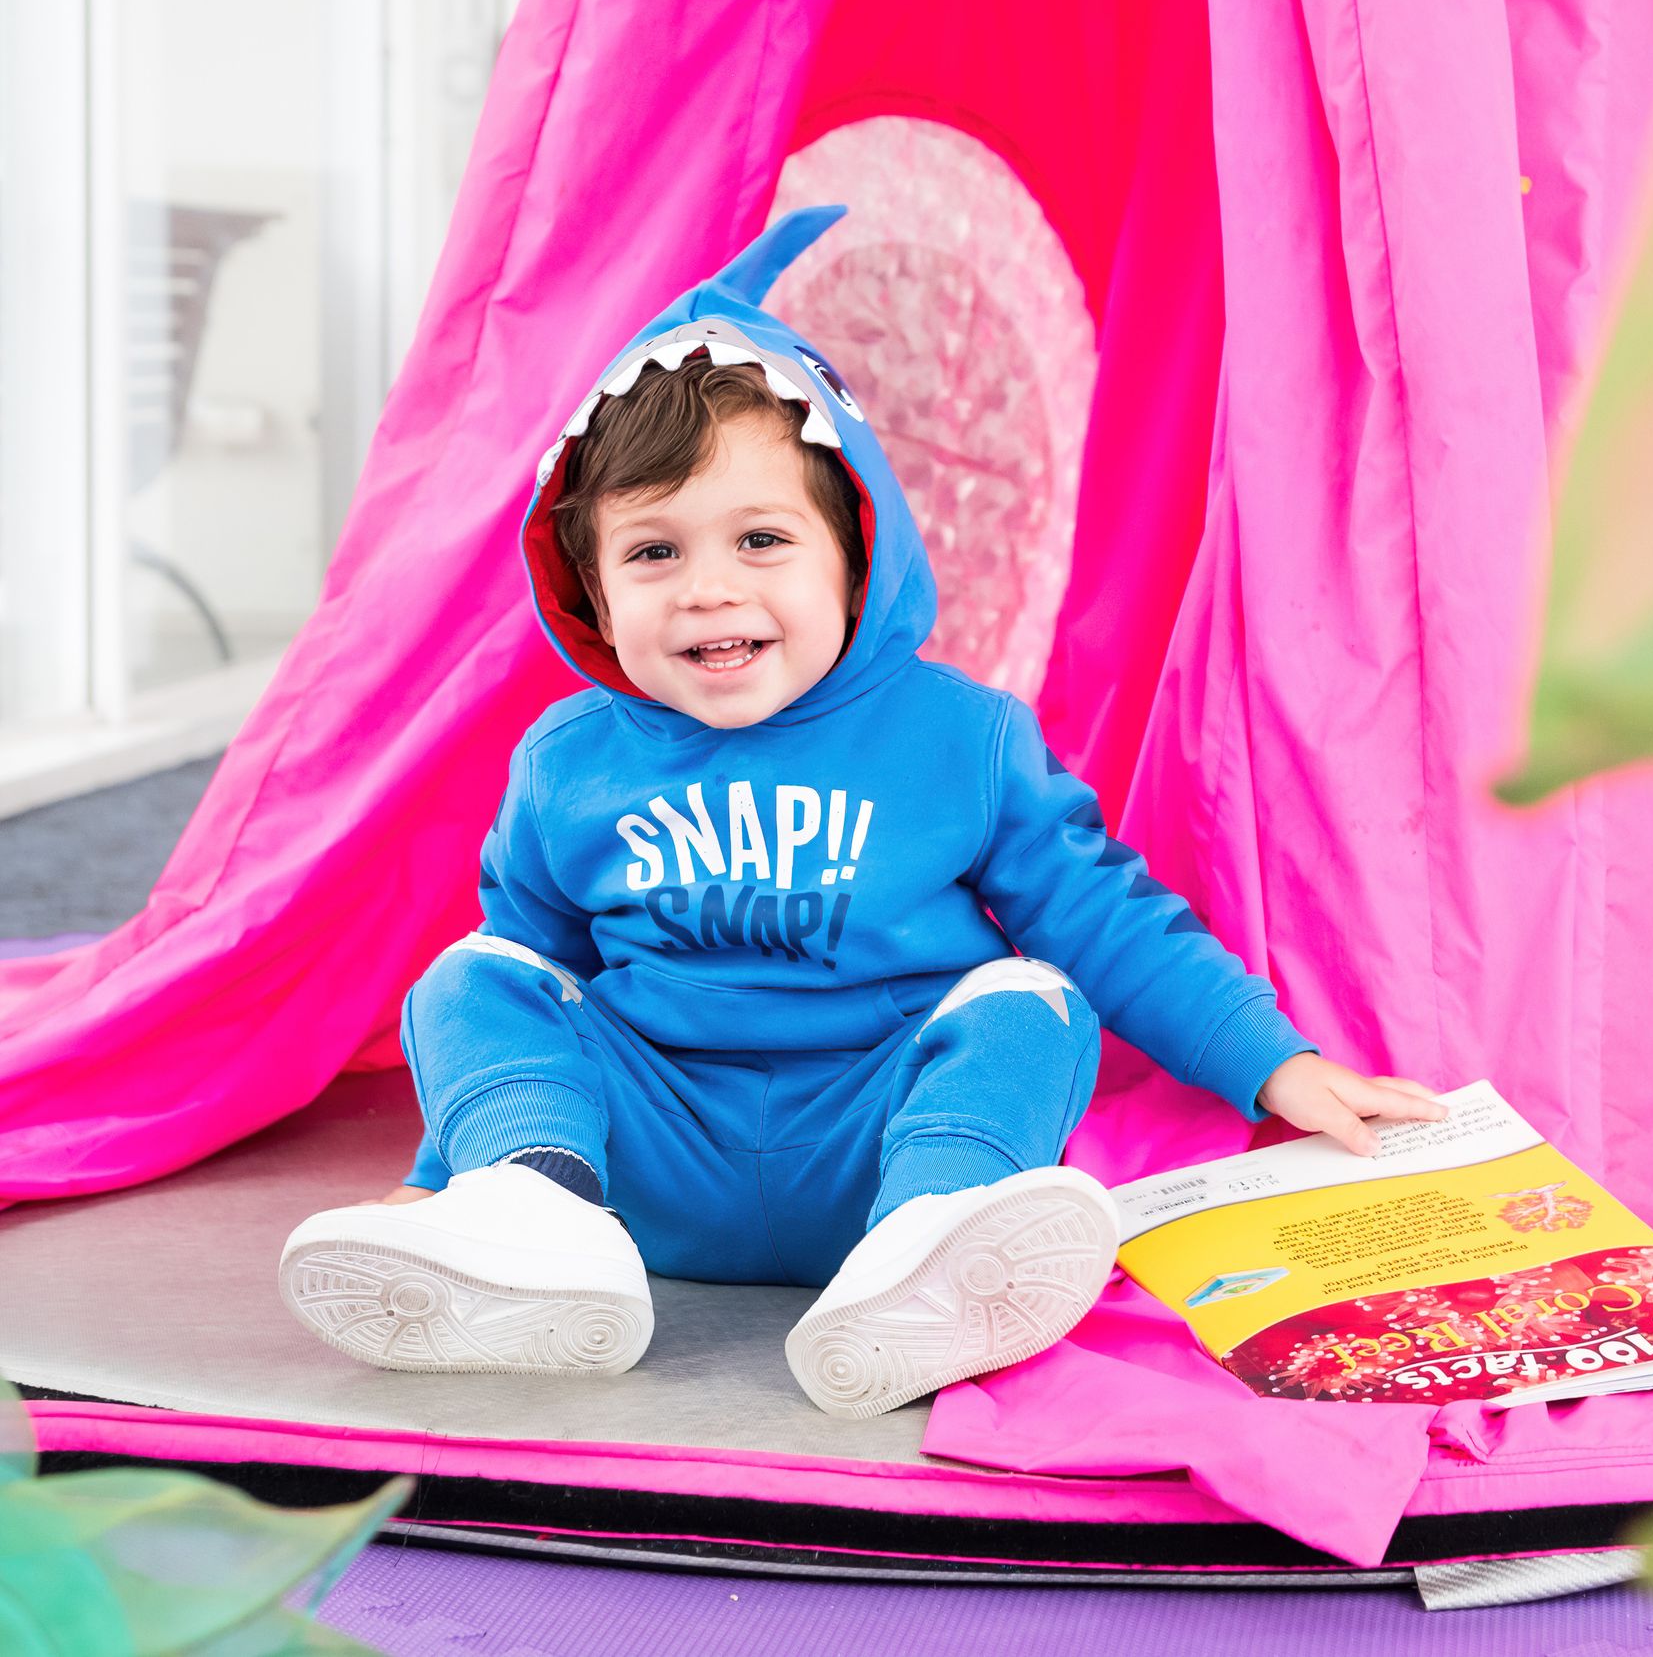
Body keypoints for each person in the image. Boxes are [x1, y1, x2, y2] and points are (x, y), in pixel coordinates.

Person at [277, 207, 1443, 1417]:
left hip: (877, 1148)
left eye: (762, 538)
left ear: (856, 552)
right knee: (468, 973)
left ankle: (927, 1252)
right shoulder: (568, 760)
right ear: (590, 588)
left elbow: (1105, 916)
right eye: (653, 554)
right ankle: (533, 1222)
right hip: (647, 1165)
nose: (710, 586)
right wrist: (449, 1167)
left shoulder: (961, 736)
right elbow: (525, 996)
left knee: (1034, 1003)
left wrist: (1273, 1063)